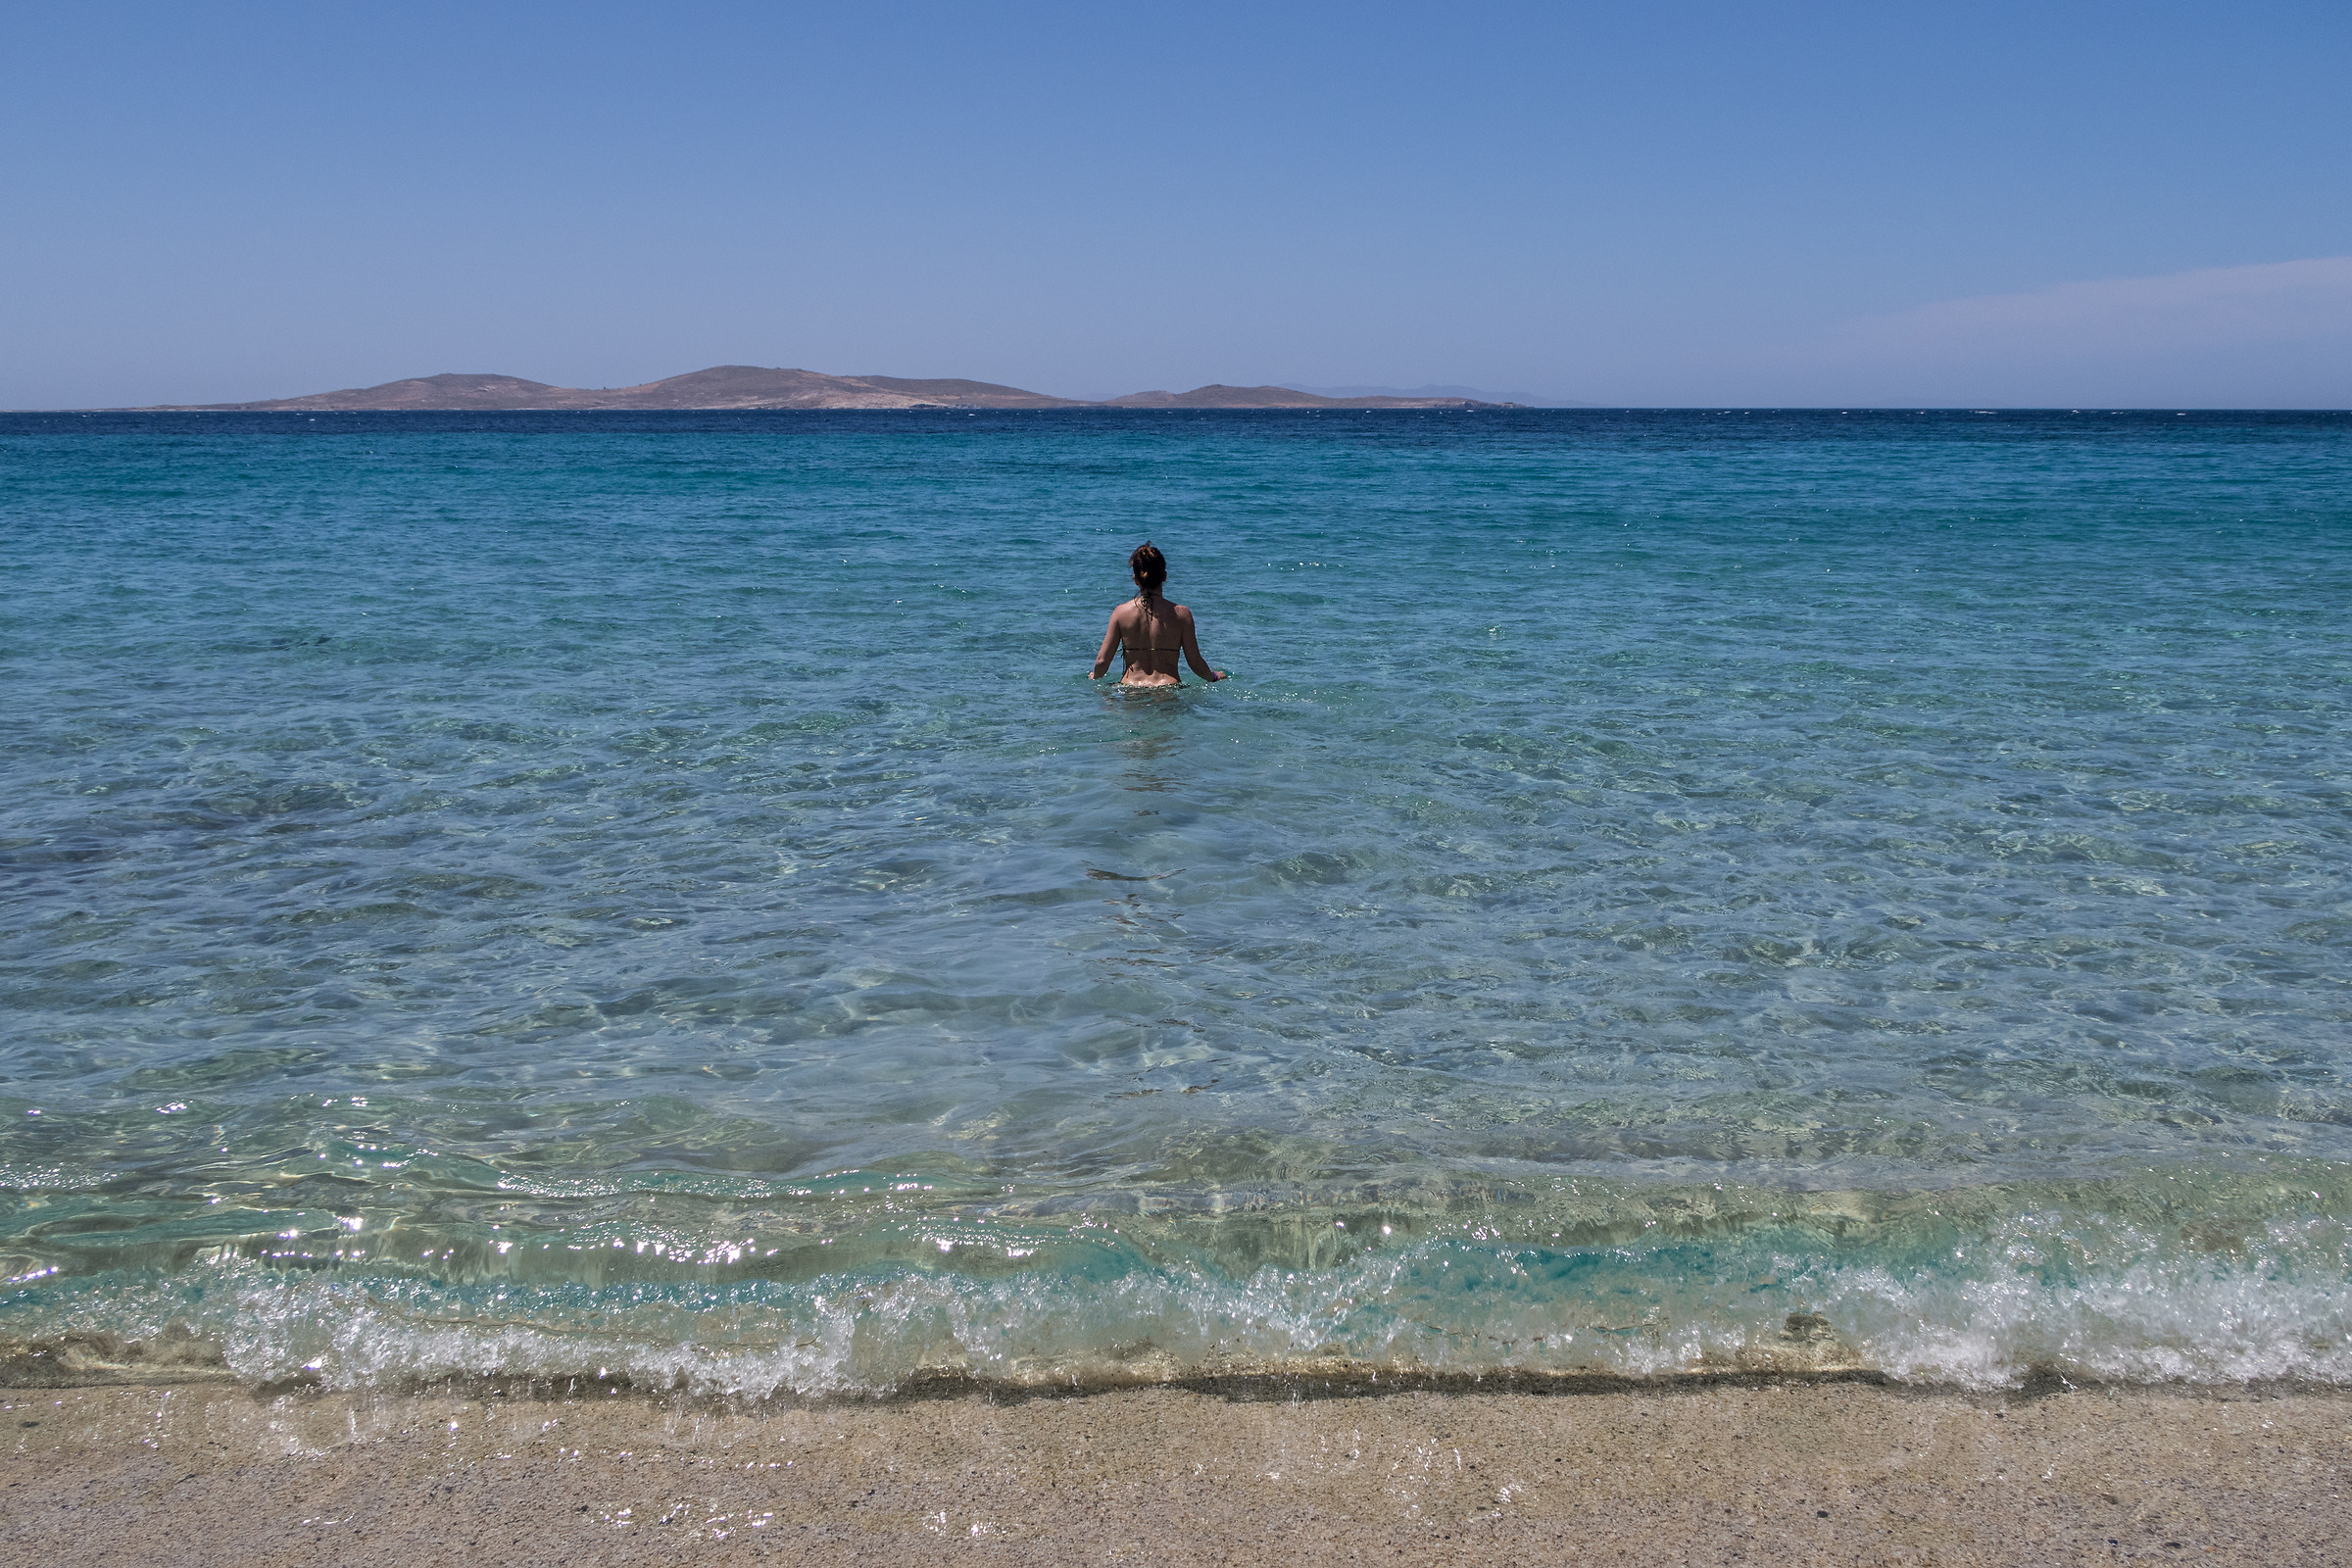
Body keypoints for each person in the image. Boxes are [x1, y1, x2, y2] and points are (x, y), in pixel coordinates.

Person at [1091, 542, 1227, 687]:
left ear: (1136, 579)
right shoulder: (1182, 614)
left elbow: (1102, 662)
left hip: (1130, 688)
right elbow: (1195, 662)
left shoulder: (1121, 612)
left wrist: (1095, 676)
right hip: (1168, 688)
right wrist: (1213, 676)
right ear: (1165, 576)